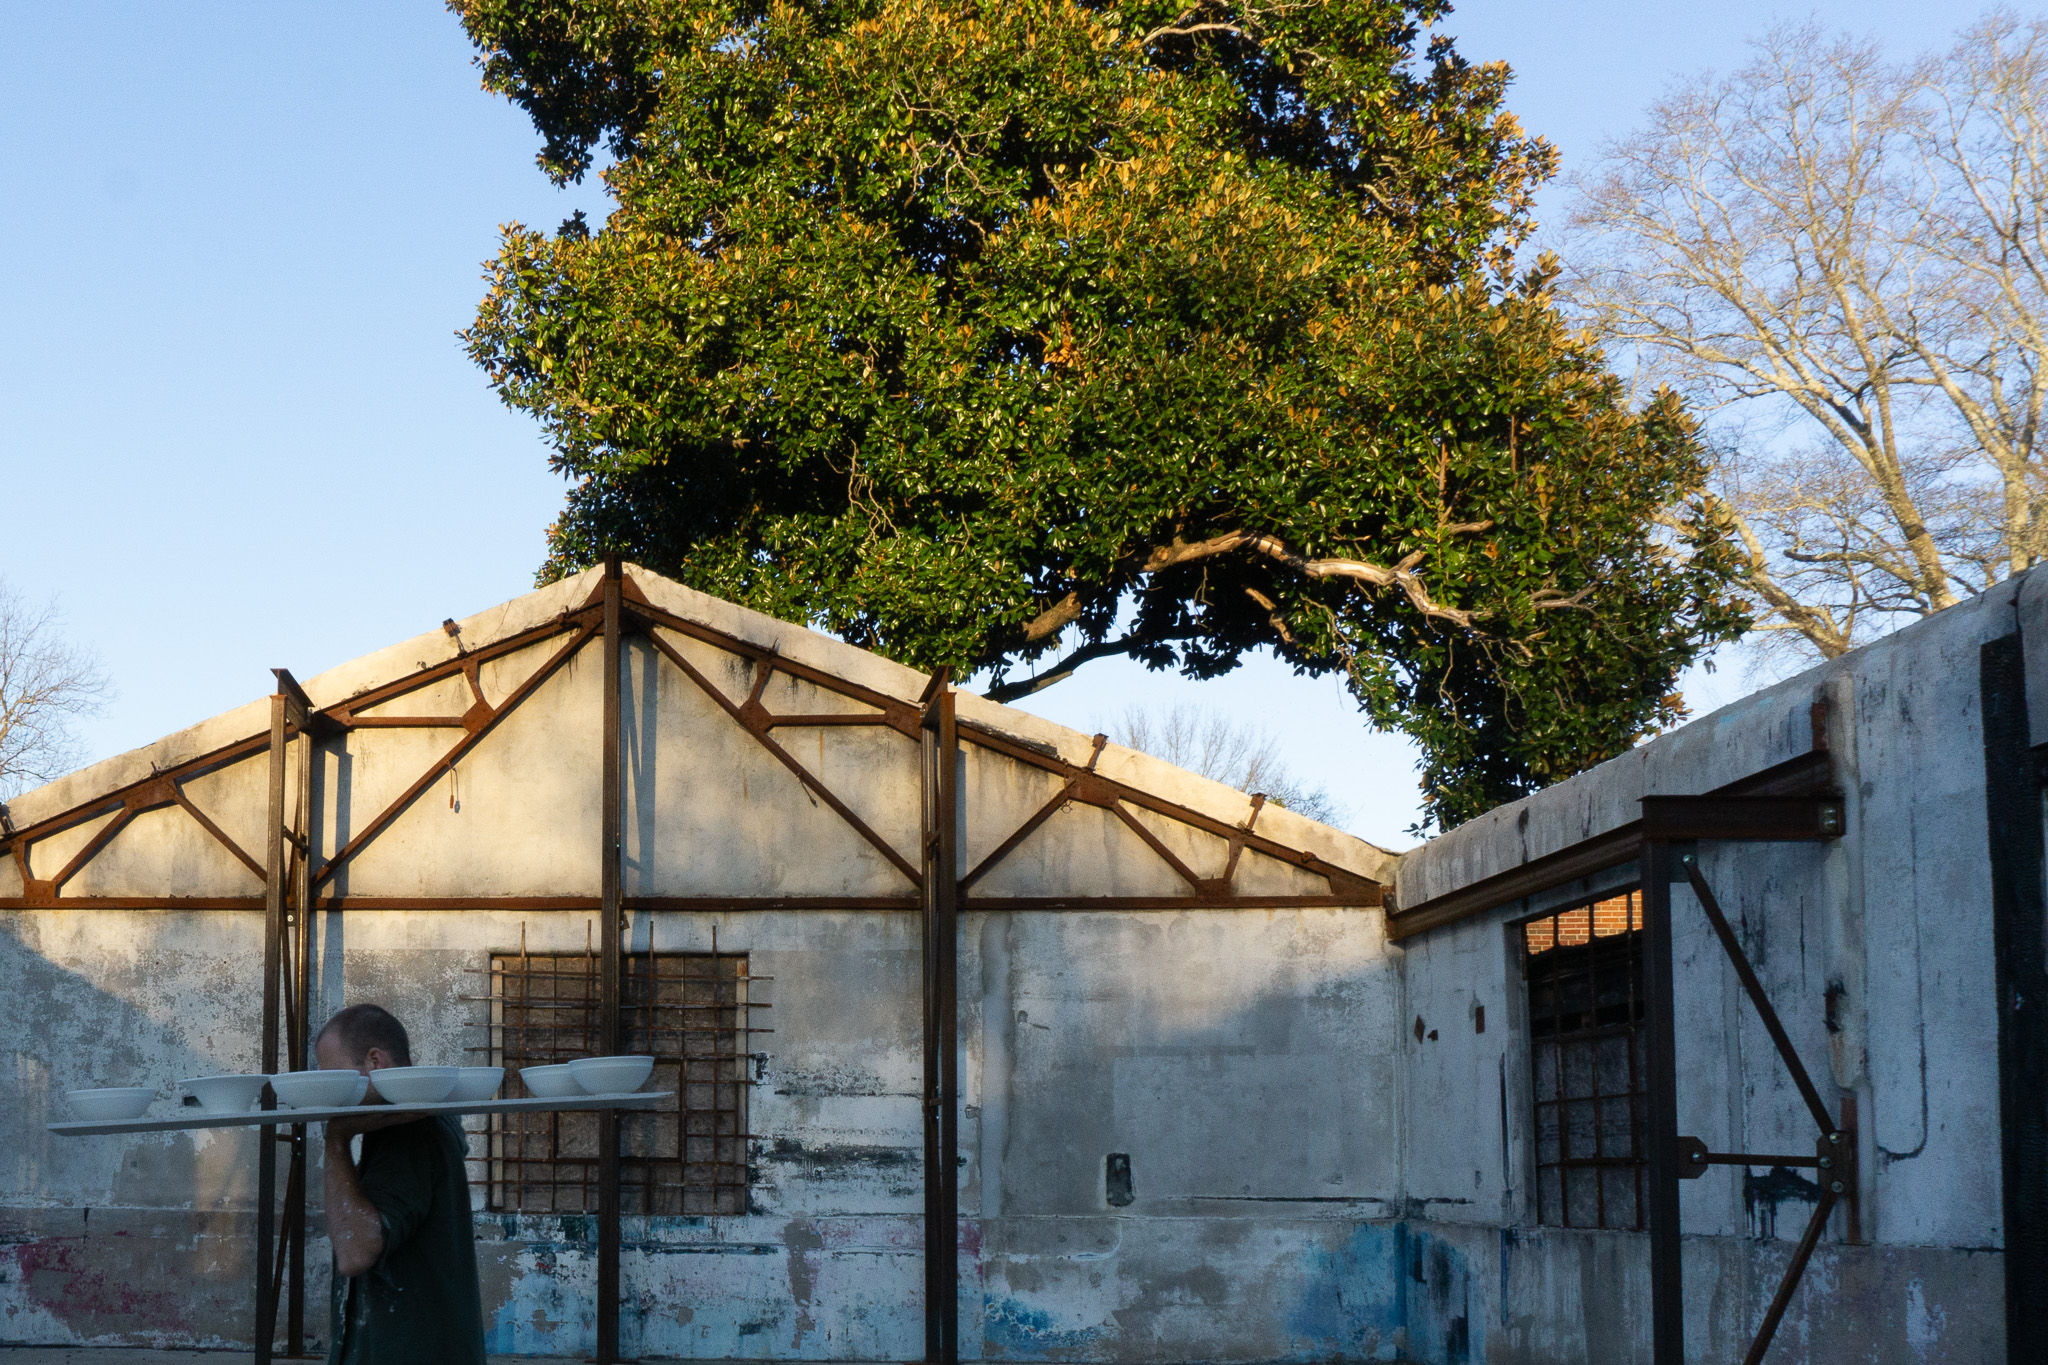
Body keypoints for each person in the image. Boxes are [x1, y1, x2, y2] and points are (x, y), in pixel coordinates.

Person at [315, 1003, 485, 1365]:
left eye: (331, 1075)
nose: (325, 1091)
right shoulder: (407, 1124)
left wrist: (336, 1139)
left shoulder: (411, 1134)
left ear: (375, 1062)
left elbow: (355, 1252)